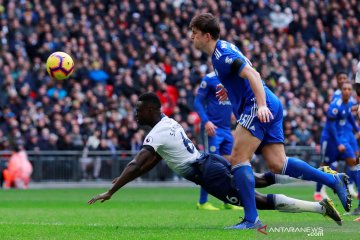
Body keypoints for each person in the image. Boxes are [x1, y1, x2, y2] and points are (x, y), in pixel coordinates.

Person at [189, 13, 351, 229]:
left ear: (206, 36)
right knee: (278, 163)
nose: (191, 37)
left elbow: (253, 74)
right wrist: (228, 90)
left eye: (194, 33)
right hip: (268, 103)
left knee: (238, 159)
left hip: (257, 106)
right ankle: (333, 180)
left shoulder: (222, 54)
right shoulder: (222, 50)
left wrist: (261, 104)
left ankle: (251, 219)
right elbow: (243, 74)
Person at [88, 92, 343, 227]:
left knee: (258, 201)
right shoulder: (167, 124)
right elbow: (151, 161)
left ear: (152, 109)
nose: (135, 113)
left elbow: (136, 163)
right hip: (209, 162)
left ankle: (320, 207)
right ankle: (318, 175)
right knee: (258, 181)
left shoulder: (157, 132)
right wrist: (126, 179)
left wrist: (112, 190)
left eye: (138, 109)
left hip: (208, 173)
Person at [193, 72, 241, 210]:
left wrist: (234, 112)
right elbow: (197, 102)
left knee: (229, 165)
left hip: (226, 129)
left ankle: (228, 201)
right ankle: (202, 202)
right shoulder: (209, 78)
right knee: (211, 165)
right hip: (212, 128)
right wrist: (206, 121)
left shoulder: (232, 77)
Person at [316, 81, 360, 215]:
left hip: (343, 140)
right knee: (324, 166)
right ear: (341, 91)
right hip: (332, 141)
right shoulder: (335, 106)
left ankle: (357, 195)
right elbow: (330, 126)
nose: (347, 91)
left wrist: (357, 129)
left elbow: (350, 118)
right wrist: (338, 143)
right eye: (344, 89)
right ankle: (318, 192)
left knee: (354, 163)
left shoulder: (349, 104)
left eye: (349, 89)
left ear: (351, 91)